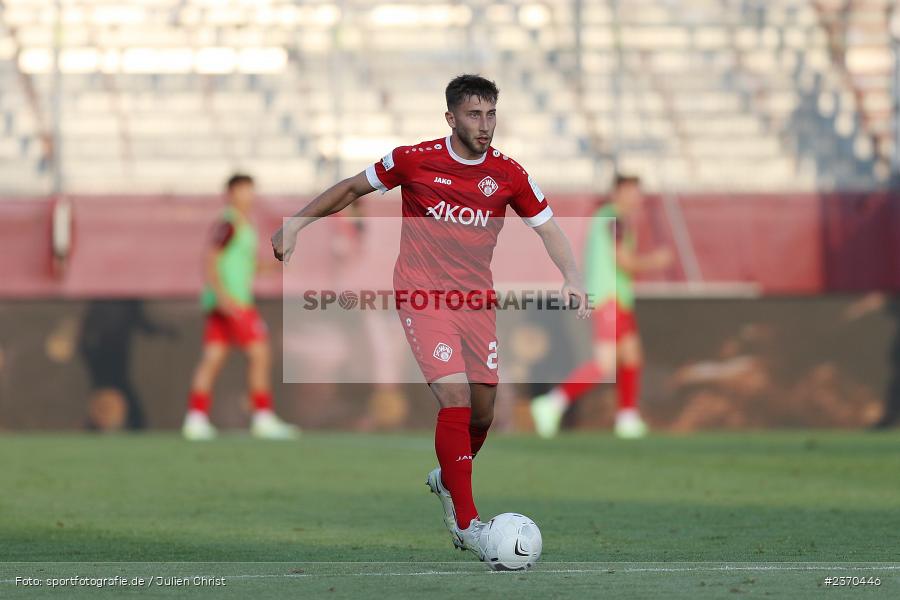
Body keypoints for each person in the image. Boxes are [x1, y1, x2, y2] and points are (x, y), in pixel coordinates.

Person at [271, 74, 588, 560]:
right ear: (450, 118)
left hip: (477, 302)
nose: (485, 126)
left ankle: (447, 477)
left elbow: (548, 230)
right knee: (455, 395)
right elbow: (353, 187)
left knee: (483, 412)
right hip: (422, 296)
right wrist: (297, 223)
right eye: (474, 115)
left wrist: (571, 276)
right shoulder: (414, 160)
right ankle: (468, 525)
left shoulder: (509, 174)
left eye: (491, 115)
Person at [531, 174, 672, 439]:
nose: (635, 198)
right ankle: (552, 403)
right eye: (630, 192)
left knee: (631, 356)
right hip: (608, 299)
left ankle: (627, 417)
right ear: (617, 193)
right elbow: (623, 261)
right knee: (604, 365)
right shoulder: (613, 220)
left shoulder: (611, 219)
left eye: (637, 193)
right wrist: (656, 261)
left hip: (618, 299)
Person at [182, 174, 299, 441]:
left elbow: (243, 264)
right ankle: (262, 417)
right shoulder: (229, 223)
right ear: (230, 193)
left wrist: (271, 267)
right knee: (260, 353)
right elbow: (211, 258)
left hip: (226, 300)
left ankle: (195, 418)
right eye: (242, 190)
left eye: (250, 190)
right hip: (232, 301)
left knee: (213, 358)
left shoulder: (244, 225)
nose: (247, 195)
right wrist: (222, 296)